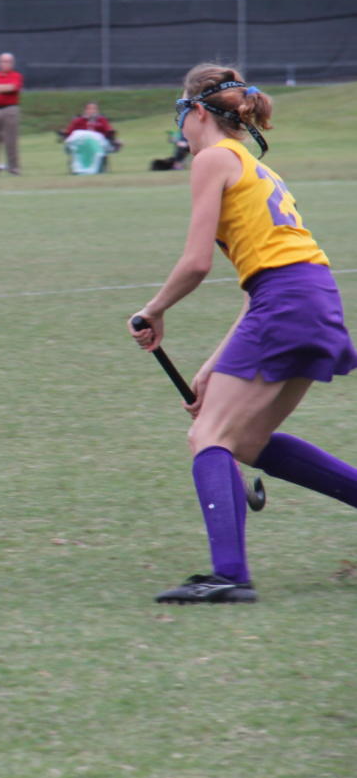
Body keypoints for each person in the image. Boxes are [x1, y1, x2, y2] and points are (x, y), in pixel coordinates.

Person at [129, 63, 357, 604]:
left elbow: (195, 263)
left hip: (286, 303)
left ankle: (229, 575)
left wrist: (153, 310)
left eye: (179, 119)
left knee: (208, 438)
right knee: (247, 441)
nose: (179, 133)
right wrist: (210, 370)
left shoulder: (211, 159)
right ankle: (229, 571)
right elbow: (265, 283)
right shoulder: (252, 164)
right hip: (312, 299)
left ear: (198, 112)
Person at [59, 101, 119, 175]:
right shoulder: (78, 120)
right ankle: (79, 168)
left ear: (97, 111)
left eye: (94, 109)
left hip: (98, 144)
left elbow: (109, 132)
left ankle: (96, 167)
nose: (92, 111)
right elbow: (69, 133)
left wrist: (113, 139)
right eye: (89, 109)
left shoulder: (102, 120)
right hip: (81, 144)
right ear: (85, 110)